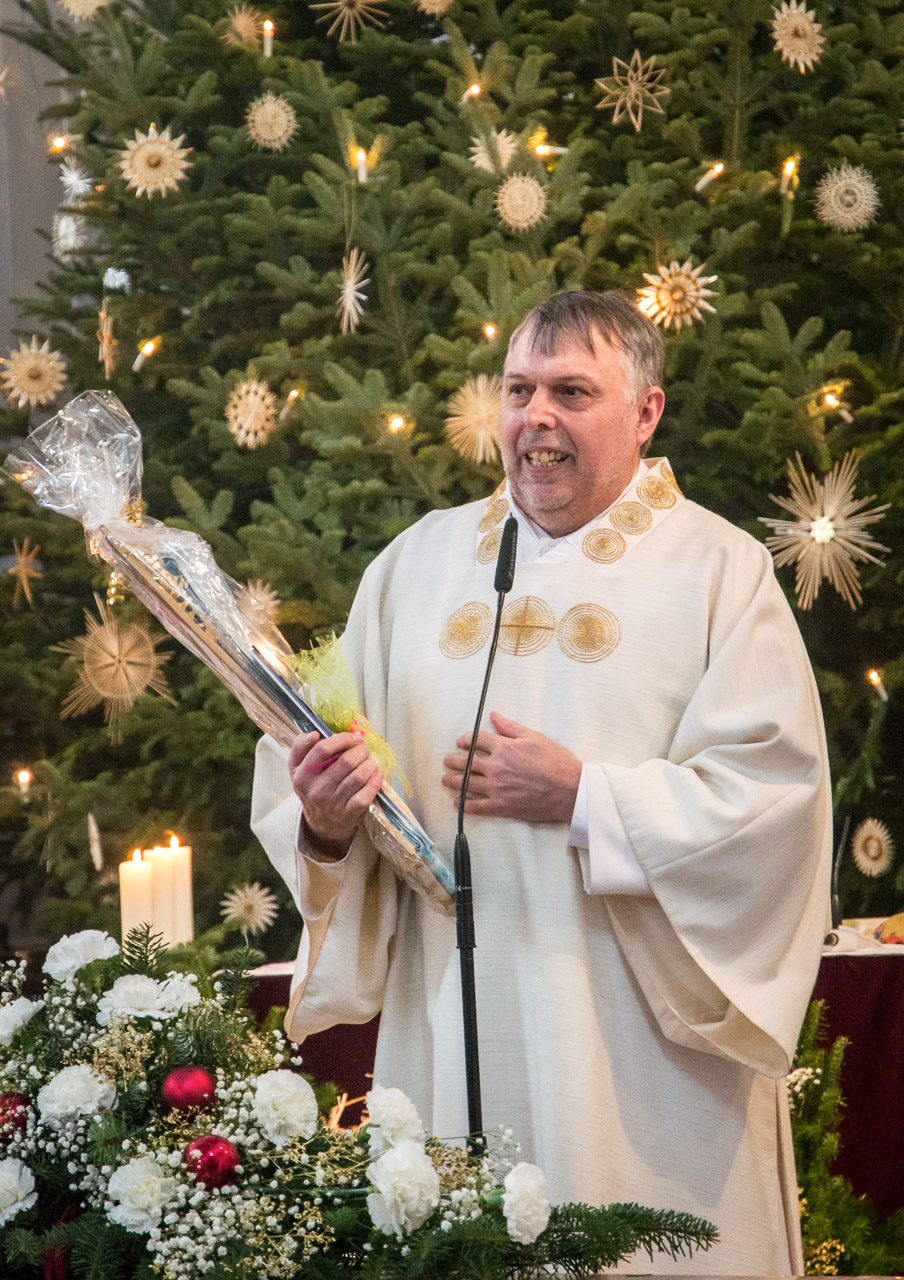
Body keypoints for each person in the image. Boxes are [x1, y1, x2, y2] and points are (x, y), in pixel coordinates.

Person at [251, 290, 832, 1275]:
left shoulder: (716, 572)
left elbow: (775, 799)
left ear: (645, 412)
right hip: (450, 1021)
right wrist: (328, 816)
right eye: (519, 390)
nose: (536, 418)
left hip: (639, 1066)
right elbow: (317, 768)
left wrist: (587, 797)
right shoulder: (415, 567)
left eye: (572, 391)